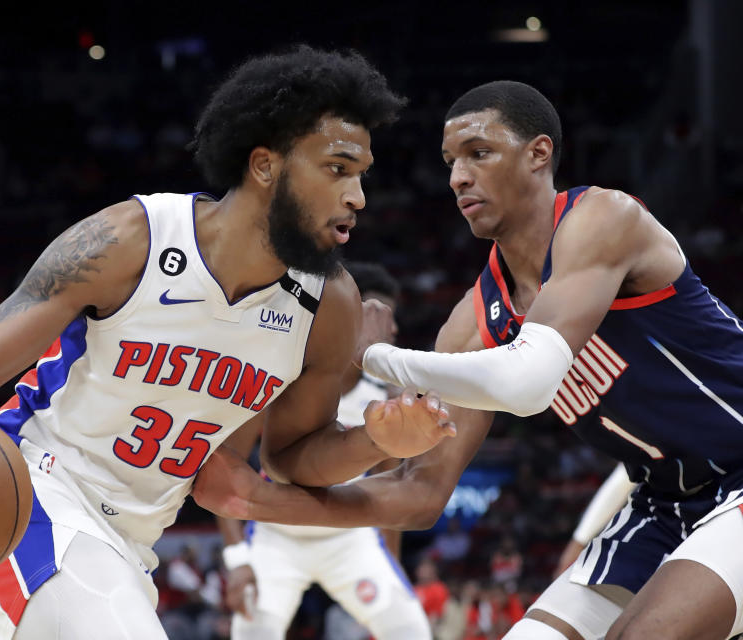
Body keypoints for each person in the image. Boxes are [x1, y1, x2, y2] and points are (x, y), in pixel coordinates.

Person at [0, 45, 456, 640]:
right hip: (32, 495)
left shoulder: (328, 305)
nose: (358, 197)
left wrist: (374, 441)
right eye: (337, 169)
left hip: (134, 541)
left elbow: (291, 458)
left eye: (362, 176)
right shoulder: (132, 240)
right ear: (265, 165)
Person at [193, 80, 743, 640]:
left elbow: (529, 380)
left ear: (539, 153)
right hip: (663, 502)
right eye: (451, 161)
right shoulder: (471, 322)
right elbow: (420, 495)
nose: (458, 176)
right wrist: (262, 498)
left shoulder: (606, 217)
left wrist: (378, 358)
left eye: (479, 153)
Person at [217, 262, 431, 640]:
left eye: (392, 319)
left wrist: (392, 564)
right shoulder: (279, 382)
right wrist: (236, 560)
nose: (393, 329)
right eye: (381, 317)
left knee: (409, 628)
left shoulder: (384, 399)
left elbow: (389, 491)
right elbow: (223, 462)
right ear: (347, 318)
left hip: (349, 538)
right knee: (251, 633)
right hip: (275, 538)